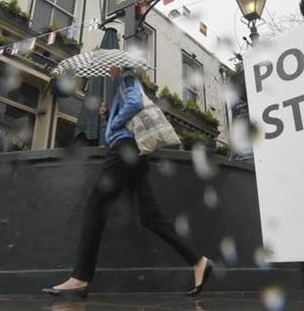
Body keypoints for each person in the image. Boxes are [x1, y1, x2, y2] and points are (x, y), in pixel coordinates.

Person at [43, 65, 212, 298]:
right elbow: (129, 106)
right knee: (150, 216)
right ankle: (198, 261)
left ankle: (80, 278)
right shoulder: (122, 84)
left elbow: (135, 103)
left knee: (95, 206)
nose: (106, 70)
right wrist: (108, 112)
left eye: (109, 67)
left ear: (117, 65)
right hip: (137, 152)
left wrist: (113, 123)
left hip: (125, 149)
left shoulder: (127, 77)